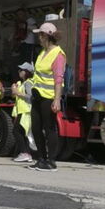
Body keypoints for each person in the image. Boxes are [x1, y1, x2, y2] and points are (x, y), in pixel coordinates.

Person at [29, 21, 65, 171]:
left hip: (49, 97)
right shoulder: (42, 53)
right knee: (36, 128)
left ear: (46, 36)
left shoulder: (58, 54)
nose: (38, 38)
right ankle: (41, 158)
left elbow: (58, 78)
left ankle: (51, 161)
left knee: (49, 128)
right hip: (37, 96)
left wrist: (57, 99)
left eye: (40, 35)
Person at [11, 62, 34, 163]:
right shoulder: (23, 83)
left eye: (21, 70)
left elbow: (31, 97)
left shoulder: (28, 83)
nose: (19, 72)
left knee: (16, 131)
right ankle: (26, 153)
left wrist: (18, 93)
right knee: (22, 132)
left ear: (27, 72)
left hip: (26, 112)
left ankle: (24, 153)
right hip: (23, 111)